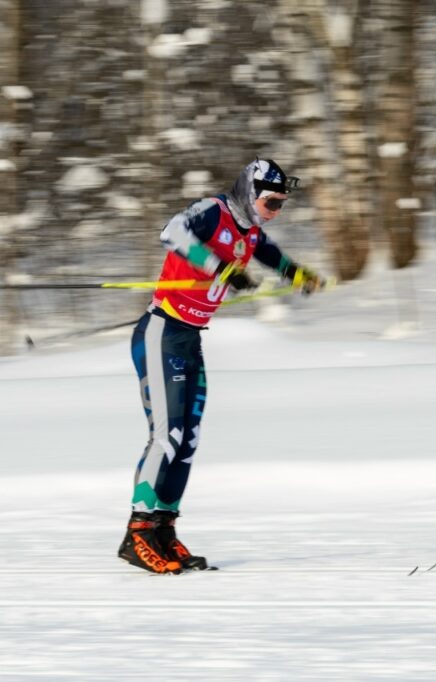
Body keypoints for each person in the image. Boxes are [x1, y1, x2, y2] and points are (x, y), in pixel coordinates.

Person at [118, 158, 324, 573]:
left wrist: (295, 273)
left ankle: (163, 529)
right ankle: (137, 533)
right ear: (250, 191)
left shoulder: (249, 230)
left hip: (190, 339)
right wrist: (222, 268)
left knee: (188, 440)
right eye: (270, 202)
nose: (274, 210)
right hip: (162, 332)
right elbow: (171, 232)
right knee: (168, 435)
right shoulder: (215, 211)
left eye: (281, 204)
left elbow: (266, 251)